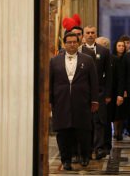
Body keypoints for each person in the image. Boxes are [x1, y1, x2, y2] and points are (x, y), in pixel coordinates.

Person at [49, 32, 99, 170]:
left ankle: (84, 156)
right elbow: (50, 83)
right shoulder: (54, 61)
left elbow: (94, 82)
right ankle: (66, 160)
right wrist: (49, 101)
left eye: (74, 42)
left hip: (82, 102)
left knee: (83, 131)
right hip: (61, 102)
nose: (71, 44)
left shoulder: (87, 59)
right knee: (63, 133)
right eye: (69, 42)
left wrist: (95, 100)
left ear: (78, 43)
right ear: (64, 44)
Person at [83, 25, 112, 160]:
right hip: (83, 92)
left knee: (99, 121)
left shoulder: (104, 51)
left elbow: (109, 74)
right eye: (87, 33)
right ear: (83, 35)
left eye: (92, 33)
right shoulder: (79, 50)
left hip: (100, 91)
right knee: (86, 121)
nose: (90, 35)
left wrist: (107, 94)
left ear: (96, 34)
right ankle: (87, 149)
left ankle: (99, 148)